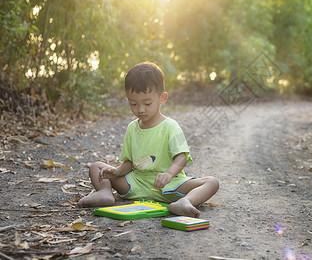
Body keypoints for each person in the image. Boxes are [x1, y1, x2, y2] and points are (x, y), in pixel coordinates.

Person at [77, 62, 219, 218]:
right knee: (96, 167)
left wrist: (169, 174)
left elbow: (182, 156)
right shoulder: (132, 128)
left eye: (147, 103)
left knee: (212, 182)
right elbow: (129, 163)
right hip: (136, 184)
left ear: (162, 98)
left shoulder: (170, 126)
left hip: (168, 186)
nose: (140, 109)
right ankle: (105, 192)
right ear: (127, 99)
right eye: (133, 103)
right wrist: (116, 171)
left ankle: (185, 202)